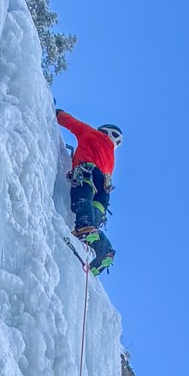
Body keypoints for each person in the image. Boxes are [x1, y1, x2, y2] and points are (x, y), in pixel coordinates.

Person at [55, 111, 123, 276]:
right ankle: (103, 249)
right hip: (104, 188)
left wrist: (56, 112)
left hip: (88, 173)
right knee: (95, 210)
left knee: (82, 198)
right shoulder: (111, 156)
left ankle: (86, 229)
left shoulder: (92, 133)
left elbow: (70, 122)